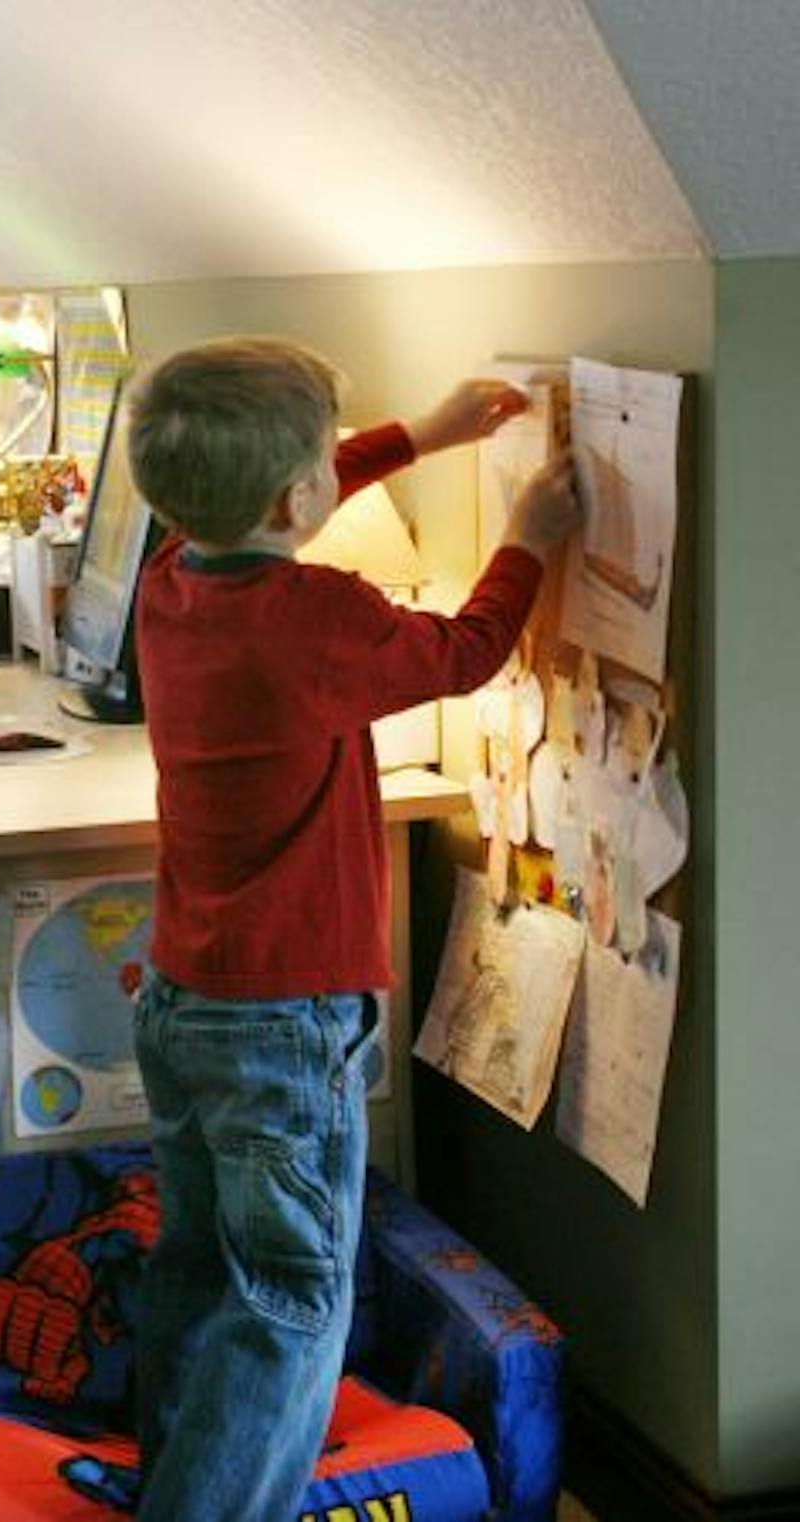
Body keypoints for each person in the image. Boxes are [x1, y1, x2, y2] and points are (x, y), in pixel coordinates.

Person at [121, 336, 580, 1522]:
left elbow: (273, 495)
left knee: (199, 1266)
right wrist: (530, 530)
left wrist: (420, 438)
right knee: (289, 1297)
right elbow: (470, 651)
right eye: (328, 461)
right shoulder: (316, 619)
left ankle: (175, 1471)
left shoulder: (169, 578)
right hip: (282, 1020)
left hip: (180, 1002)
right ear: (299, 499)